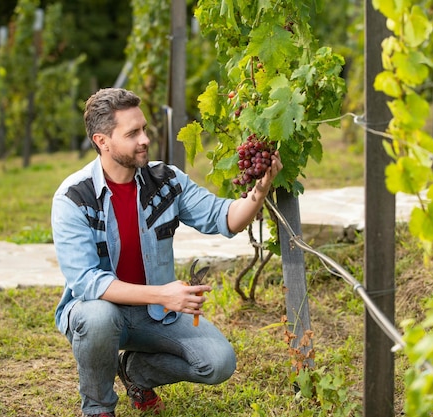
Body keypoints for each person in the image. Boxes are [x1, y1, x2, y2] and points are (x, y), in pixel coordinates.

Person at [51, 87, 282, 417]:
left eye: (144, 128)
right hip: (100, 312)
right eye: (132, 133)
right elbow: (87, 282)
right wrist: (162, 294)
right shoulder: (74, 198)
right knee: (99, 317)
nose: (144, 139)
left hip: (154, 316)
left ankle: (136, 373)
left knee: (219, 362)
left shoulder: (166, 180)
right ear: (102, 141)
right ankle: (99, 408)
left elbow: (225, 218)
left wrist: (260, 187)